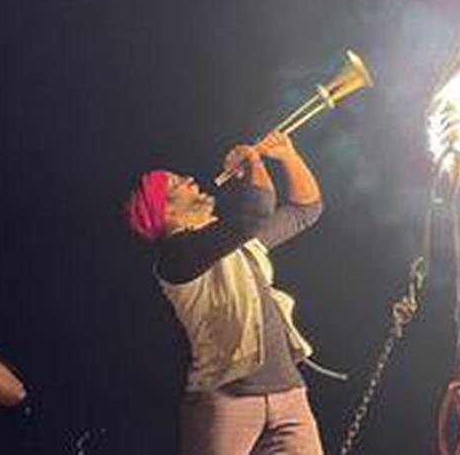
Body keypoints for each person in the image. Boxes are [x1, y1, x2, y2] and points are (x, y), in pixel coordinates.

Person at [125, 131, 326, 455]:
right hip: (225, 399)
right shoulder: (177, 256)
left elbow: (306, 209)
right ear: (166, 213)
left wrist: (289, 157)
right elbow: (256, 210)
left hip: (289, 393)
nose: (191, 179)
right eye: (178, 184)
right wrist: (253, 162)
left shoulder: (234, 240)